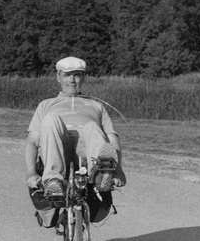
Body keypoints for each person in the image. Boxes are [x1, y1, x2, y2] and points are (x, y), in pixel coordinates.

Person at [25, 56, 126, 199]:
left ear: (83, 78)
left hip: (87, 152)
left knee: (92, 126)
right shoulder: (46, 105)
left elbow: (112, 138)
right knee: (50, 119)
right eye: (67, 75)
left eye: (77, 75)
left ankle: (101, 175)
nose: (72, 80)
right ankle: (53, 180)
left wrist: (119, 170)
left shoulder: (96, 106)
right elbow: (32, 140)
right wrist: (31, 172)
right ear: (58, 77)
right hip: (57, 147)